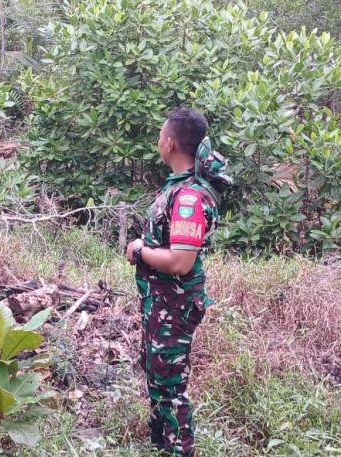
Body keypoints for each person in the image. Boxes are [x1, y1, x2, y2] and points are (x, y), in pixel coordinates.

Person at [125, 107, 231, 457]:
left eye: (159, 134)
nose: (158, 140)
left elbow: (181, 262)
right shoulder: (179, 188)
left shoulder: (188, 198)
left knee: (170, 386)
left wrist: (139, 251)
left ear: (169, 142)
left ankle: (180, 450)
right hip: (161, 304)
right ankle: (160, 446)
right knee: (157, 375)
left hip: (174, 305)